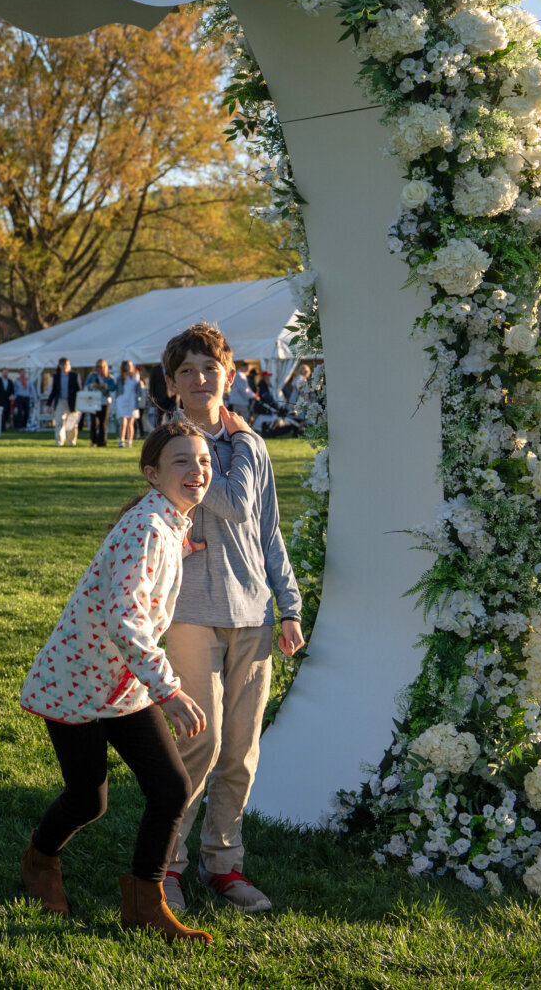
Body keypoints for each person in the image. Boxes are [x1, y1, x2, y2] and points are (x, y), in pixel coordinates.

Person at [17, 419, 214, 945]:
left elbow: (150, 569)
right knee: (88, 799)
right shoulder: (147, 527)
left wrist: (187, 548)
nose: (197, 470)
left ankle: (144, 903)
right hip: (77, 684)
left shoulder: (167, 524)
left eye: (203, 461)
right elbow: (124, 618)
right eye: (181, 461)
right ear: (152, 473)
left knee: (170, 788)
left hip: (123, 684)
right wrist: (169, 691)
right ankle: (40, 859)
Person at [159, 323, 304, 915]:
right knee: (202, 741)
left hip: (253, 614)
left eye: (209, 369)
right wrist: (236, 445)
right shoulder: (171, 443)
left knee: (241, 751)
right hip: (192, 612)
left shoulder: (254, 446)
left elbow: (265, 525)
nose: (200, 379)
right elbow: (229, 502)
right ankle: (164, 864)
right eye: (188, 371)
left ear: (230, 375)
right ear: (171, 384)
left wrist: (288, 605)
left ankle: (223, 863)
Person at [44, 358, 80, 448]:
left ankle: (71, 442)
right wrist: (49, 404)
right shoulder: (56, 376)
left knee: (72, 422)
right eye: (63, 365)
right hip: (61, 400)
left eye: (66, 364)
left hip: (72, 401)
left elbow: (79, 389)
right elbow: (54, 391)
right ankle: (59, 441)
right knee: (59, 421)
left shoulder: (74, 376)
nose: (64, 366)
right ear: (60, 366)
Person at [84, 359, 116, 449]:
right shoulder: (91, 376)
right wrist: (92, 385)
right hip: (94, 400)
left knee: (103, 422)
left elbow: (114, 387)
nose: (99, 369)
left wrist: (105, 385)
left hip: (104, 401)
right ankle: (93, 440)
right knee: (93, 422)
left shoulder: (109, 377)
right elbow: (86, 386)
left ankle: (102, 442)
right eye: (97, 366)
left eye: (100, 367)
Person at [116, 361, 143, 450]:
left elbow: (139, 389)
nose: (128, 367)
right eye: (126, 366)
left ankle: (130, 441)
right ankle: (121, 441)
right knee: (123, 422)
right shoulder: (120, 377)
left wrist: (138, 400)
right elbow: (117, 388)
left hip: (132, 400)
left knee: (130, 422)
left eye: (129, 366)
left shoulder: (136, 375)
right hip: (122, 400)